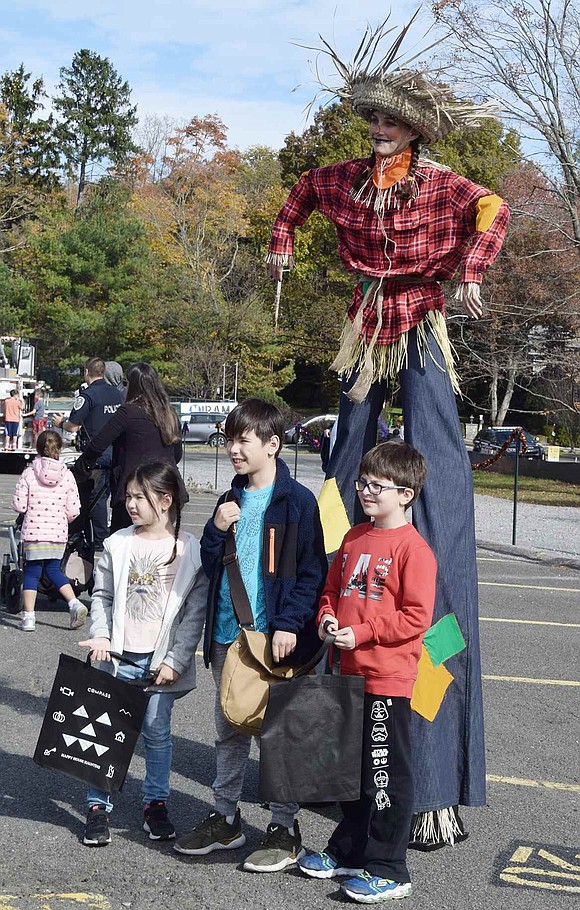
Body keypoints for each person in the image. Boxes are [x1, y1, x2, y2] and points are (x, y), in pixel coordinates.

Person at [267, 16, 509, 847]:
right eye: (371, 119)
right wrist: (282, 241)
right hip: (367, 324)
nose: (377, 131)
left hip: (423, 321)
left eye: (391, 121)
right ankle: (336, 780)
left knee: (439, 485)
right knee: (341, 479)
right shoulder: (340, 178)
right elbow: (298, 195)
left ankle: (430, 784)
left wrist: (471, 270)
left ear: (415, 127)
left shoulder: (441, 185)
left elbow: (493, 207)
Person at [173, 398, 327, 873]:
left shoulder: (297, 501)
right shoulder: (228, 499)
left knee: (277, 736)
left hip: (274, 640)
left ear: (273, 444)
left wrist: (288, 624)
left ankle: (284, 827)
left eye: (244, 440)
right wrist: (217, 530)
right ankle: (226, 817)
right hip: (226, 637)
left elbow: (312, 572)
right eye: (230, 439)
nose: (233, 448)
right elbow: (209, 556)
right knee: (228, 730)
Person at [299, 442, 436, 902]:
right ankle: (350, 851)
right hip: (349, 675)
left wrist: (362, 633)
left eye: (378, 486)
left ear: (407, 494)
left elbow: (416, 618)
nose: (366, 491)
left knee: (384, 775)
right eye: (363, 483)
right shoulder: (355, 538)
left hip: (387, 680)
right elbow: (332, 589)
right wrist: (326, 619)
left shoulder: (414, 550)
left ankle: (389, 867)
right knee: (352, 773)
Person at [78, 461, 209, 847]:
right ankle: (97, 806)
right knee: (103, 730)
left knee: (156, 733)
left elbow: (193, 614)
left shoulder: (189, 550)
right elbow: (100, 596)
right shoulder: (118, 544)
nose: (130, 504)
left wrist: (175, 661)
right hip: (116, 657)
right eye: (129, 496)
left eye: (140, 497)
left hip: (159, 664)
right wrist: (100, 635)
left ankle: (155, 804)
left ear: (165, 500)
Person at [74, 363, 186, 535]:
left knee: (124, 543)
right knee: (161, 541)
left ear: (132, 385)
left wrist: (82, 465)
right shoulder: (169, 413)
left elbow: (98, 444)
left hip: (136, 485)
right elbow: (176, 454)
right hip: (167, 486)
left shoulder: (128, 412)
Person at [12, 429, 85, 631]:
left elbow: (20, 506)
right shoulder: (67, 475)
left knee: (32, 573)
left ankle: (28, 618)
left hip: (34, 533)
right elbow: (74, 509)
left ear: (37, 448)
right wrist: (63, 519)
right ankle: (74, 603)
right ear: (59, 449)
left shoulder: (29, 472)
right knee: (53, 570)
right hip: (57, 533)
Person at [53, 358, 123, 547]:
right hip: (116, 453)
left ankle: (96, 537)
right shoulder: (117, 394)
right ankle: (99, 534)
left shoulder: (88, 396)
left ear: (86, 372)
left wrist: (60, 422)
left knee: (91, 497)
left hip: (95, 455)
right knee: (108, 496)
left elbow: (73, 426)